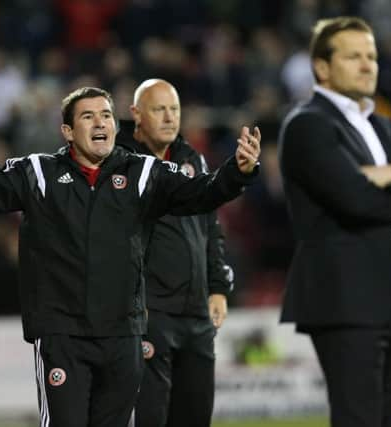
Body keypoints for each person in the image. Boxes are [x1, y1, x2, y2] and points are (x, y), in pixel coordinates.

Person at [0, 86, 261, 427]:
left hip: (124, 336)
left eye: (106, 115)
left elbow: (201, 192)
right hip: (62, 336)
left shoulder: (144, 173)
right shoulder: (38, 174)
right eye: (88, 117)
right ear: (68, 131)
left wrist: (237, 172)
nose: (100, 122)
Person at [278, 16, 391, 427]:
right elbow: (354, 200)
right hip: (347, 296)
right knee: (359, 419)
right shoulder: (308, 124)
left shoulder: (384, 126)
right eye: (354, 56)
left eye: (372, 57)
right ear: (322, 67)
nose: (368, 65)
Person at [116, 79, 243, 427]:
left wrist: (217, 287)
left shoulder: (192, 159)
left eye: (174, 109)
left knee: (196, 415)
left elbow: (210, 228)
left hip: (196, 310)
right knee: (151, 416)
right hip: (149, 311)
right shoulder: (120, 165)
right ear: (136, 114)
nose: (170, 117)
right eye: (159, 109)